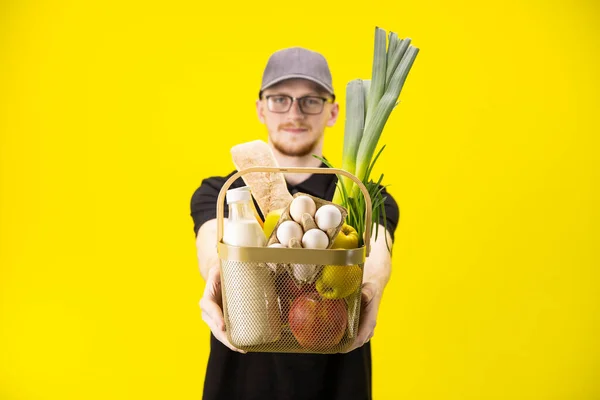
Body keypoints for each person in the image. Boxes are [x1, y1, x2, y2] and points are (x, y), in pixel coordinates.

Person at [190, 47, 399, 400]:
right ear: (260, 108)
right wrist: (216, 273)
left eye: (311, 101)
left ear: (332, 112)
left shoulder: (362, 197)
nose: (294, 112)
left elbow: (378, 250)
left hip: (336, 381)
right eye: (279, 99)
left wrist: (372, 289)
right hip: (242, 383)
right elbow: (211, 243)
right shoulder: (222, 191)